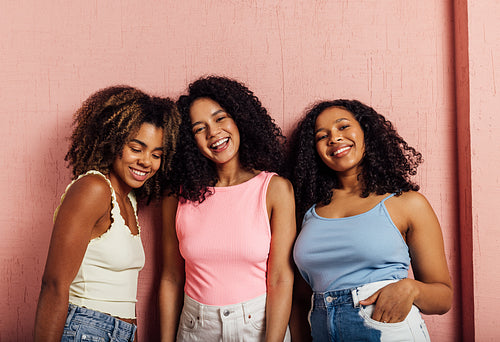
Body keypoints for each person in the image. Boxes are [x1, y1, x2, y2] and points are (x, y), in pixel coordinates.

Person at [290, 99, 452, 341]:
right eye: (322, 136)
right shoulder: (307, 211)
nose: (333, 138)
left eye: (343, 127)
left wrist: (411, 288)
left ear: (366, 131)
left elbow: (443, 298)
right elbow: (301, 299)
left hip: (386, 329)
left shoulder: (407, 203)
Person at [34, 86, 180, 342]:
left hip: (122, 334)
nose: (147, 161)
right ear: (113, 142)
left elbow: (124, 296)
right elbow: (54, 285)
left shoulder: (129, 200)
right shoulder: (93, 189)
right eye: (137, 149)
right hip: (85, 329)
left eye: (157, 154)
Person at [160, 76, 295, 342]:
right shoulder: (177, 197)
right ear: (190, 141)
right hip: (195, 328)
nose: (213, 133)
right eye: (200, 128)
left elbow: (280, 278)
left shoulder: (275, 189)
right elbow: (170, 278)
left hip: (257, 327)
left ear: (240, 119)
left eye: (220, 118)